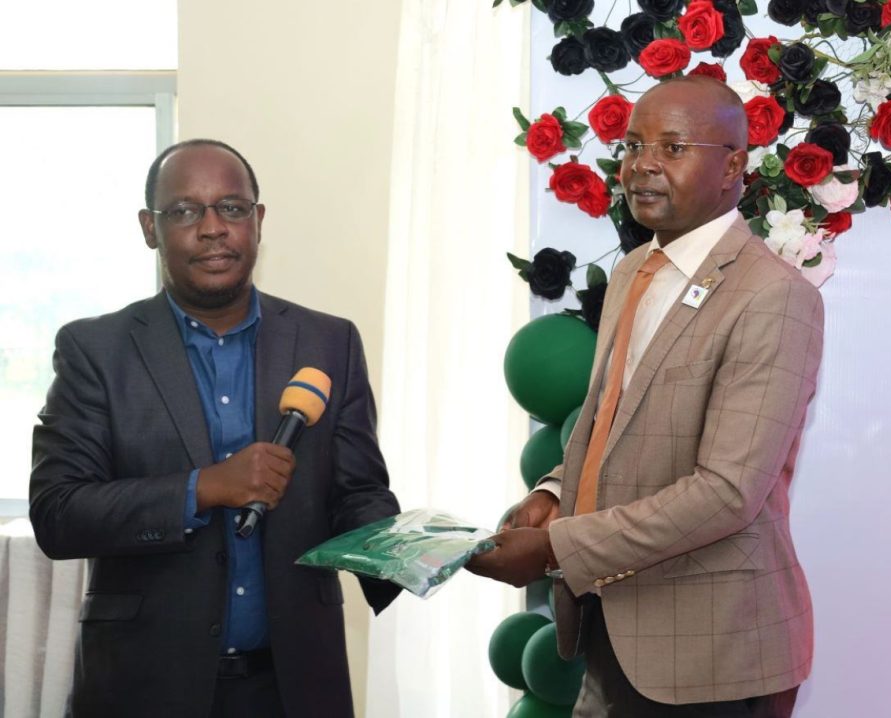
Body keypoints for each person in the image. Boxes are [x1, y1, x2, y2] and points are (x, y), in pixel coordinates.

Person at [468, 77, 825, 717]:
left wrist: (556, 547)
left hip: (712, 653)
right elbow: (609, 423)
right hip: (611, 624)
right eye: (633, 146)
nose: (643, 166)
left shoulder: (775, 297)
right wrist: (553, 493)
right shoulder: (636, 269)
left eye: (672, 147)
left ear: (733, 165)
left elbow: (726, 493)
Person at [30, 139, 401, 718]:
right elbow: (58, 512)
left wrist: (414, 552)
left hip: (294, 686)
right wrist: (205, 487)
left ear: (258, 221)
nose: (212, 229)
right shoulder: (95, 350)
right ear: (150, 228)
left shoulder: (329, 342)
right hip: (145, 686)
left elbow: (358, 493)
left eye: (231, 208)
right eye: (184, 211)